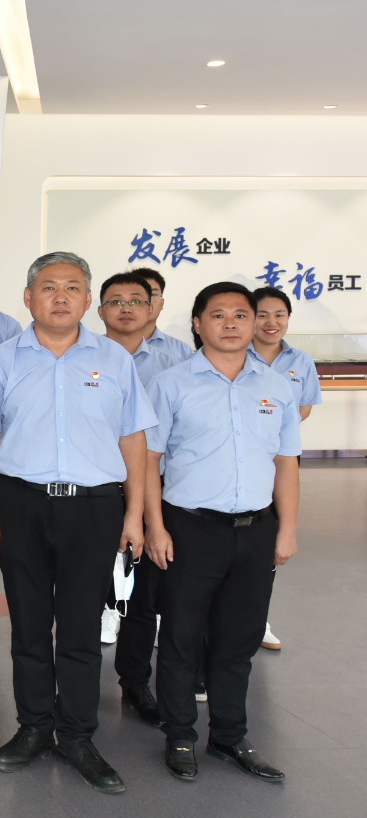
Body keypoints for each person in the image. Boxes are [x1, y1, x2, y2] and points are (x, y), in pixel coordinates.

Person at [0, 251, 154, 795]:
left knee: (80, 628)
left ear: (88, 299)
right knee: (28, 625)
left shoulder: (115, 360)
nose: (61, 297)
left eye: (73, 287)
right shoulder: (3, 361)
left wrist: (135, 515)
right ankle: (32, 728)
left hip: (95, 508)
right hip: (21, 504)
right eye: (49, 287)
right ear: (28, 297)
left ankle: (76, 735)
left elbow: (133, 440)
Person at [147, 281, 297, 784]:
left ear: (254, 323)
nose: (230, 324)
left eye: (241, 315)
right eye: (218, 315)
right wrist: (154, 527)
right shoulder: (171, 384)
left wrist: (287, 529)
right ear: (197, 323)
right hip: (190, 528)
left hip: (256, 530)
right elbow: (148, 462)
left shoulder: (276, 386)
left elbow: (287, 463)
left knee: (239, 639)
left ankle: (230, 736)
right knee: (182, 637)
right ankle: (180, 735)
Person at [95, 271, 186, 724]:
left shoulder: (178, 361)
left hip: (155, 490)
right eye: (117, 301)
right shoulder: (83, 356)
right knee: (84, 592)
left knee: (143, 597)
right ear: (100, 310)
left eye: (137, 300)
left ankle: (134, 682)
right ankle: (73, 686)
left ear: (152, 307)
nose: (127, 308)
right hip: (95, 489)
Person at [249, 285, 321, 652]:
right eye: (262, 315)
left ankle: (257, 619)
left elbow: (304, 407)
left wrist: (273, 430)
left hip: (281, 460)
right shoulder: (233, 354)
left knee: (270, 542)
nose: (271, 322)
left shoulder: (301, 361)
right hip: (239, 459)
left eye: (279, 315)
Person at [133, 267, 196, 363]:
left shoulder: (182, 351)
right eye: (139, 294)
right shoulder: (109, 345)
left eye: (153, 294)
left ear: (162, 303)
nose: (147, 301)